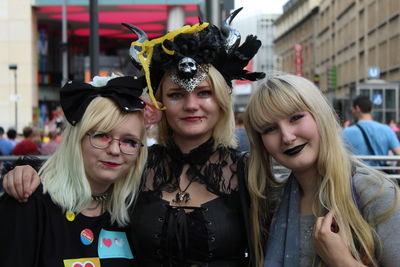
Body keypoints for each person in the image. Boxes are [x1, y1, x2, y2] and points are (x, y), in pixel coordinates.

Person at [2, 8, 265, 267]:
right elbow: (84, 170)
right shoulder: (139, 164)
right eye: (176, 95)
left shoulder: (248, 172)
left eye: (204, 93)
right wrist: (26, 170)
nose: (191, 105)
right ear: (160, 103)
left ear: (221, 100)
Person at [244, 73, 400, 266]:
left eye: (296, 118)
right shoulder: (270, 202)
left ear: (320, 116)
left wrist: (341, 261)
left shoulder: (376, 193)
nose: (287, 137)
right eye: (269, 129)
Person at [0, 75, 148, 266]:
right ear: (76, 140)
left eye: (129, 141)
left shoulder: (134, 208)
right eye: (101, 135)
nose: (114, 150)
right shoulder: (29, 201)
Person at [343, 95, 400, 167]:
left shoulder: (347, 132)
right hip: (381, 176)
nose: (352, 111)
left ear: (357, 108)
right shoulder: (387, 130)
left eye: (352, 109)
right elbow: (398, 153)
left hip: (357, 176)